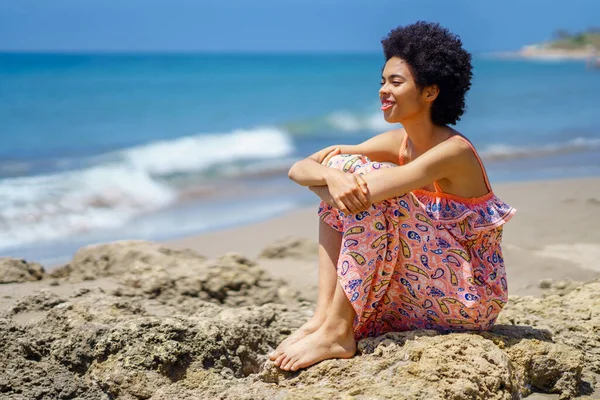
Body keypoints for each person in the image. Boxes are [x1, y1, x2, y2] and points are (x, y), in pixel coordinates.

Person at [268, 21, 516, 372]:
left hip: (468, 297)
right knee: (345, 168)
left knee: (366, 184)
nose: (383, 90)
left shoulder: (453, 151)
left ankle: (339, 331)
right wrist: (330, 177)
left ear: (430, 92)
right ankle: (324, 317)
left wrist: (337, 183)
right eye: (383, 81)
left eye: (396, 82)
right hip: (423, 285)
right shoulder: (397, 143)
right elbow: (302, 167)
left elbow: (370, 193)